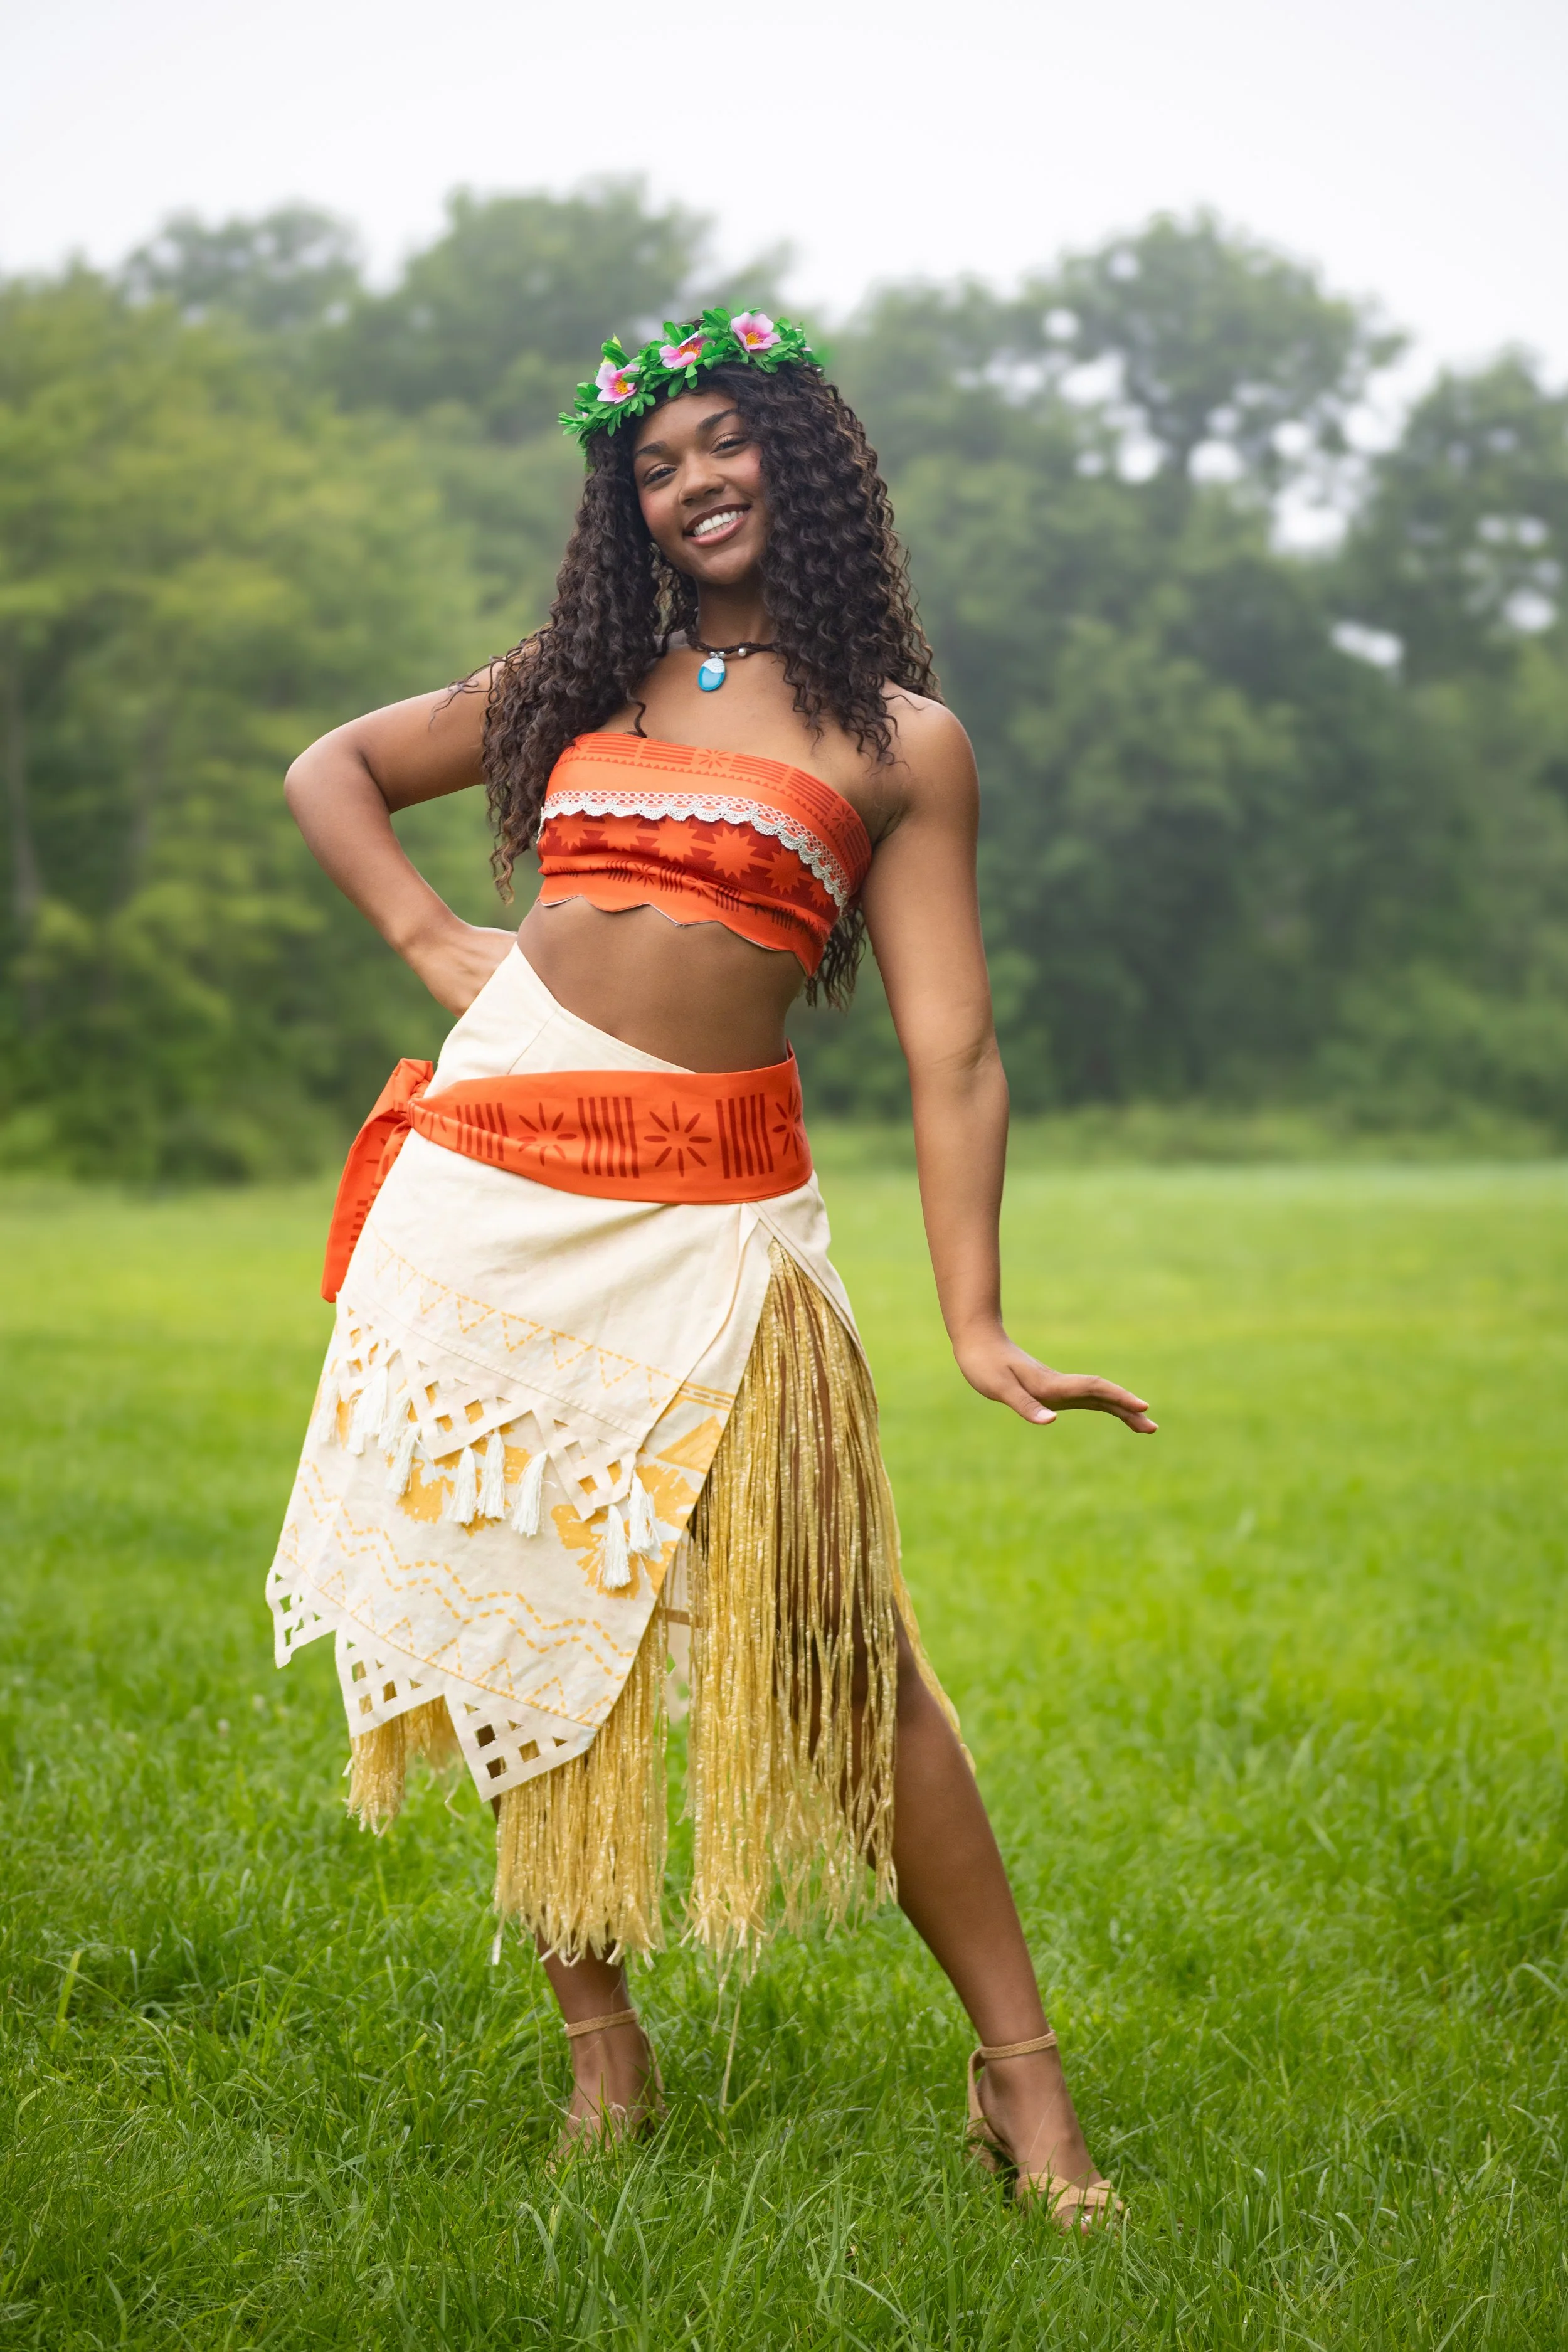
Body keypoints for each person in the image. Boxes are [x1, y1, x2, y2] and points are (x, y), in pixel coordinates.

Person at [268, 307, 1155, 2228]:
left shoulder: (899, 741)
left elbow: (955, 1052)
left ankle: (1024, 2084)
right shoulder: (577, 674)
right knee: (494, 1592)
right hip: (489, 1174)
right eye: (653, 462)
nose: (692, 479)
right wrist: (434, 938)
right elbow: (330, 765)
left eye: (723, 442)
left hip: (714, 1207)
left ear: (804, 463)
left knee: (847, 1646)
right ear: (630, 505)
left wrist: (977, 1316)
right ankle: (604, 2049)